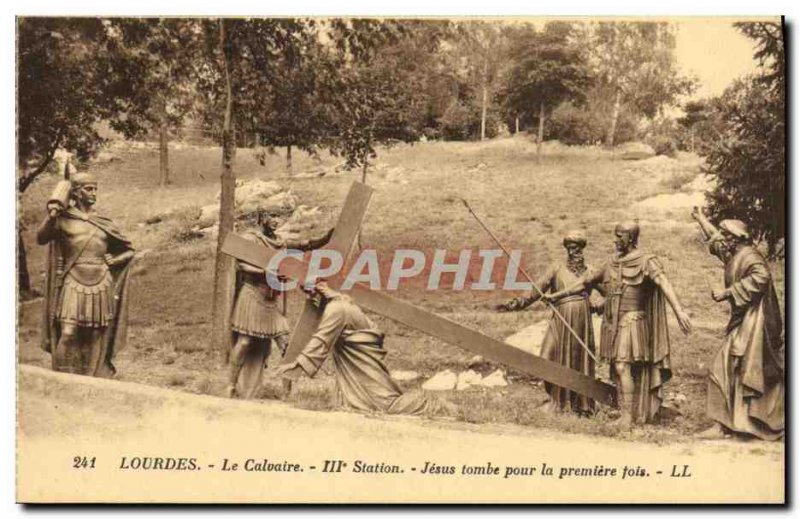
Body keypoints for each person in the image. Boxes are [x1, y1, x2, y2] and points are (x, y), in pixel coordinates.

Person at [542, 221, 692, 427]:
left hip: (632, 322)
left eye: (619, 236)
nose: (615, 240)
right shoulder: (611, 262)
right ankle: (628, 412)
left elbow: (664, 283)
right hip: (614, 324)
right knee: (619, 369)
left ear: (630, 238)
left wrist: (679, 310)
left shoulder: (646, 261)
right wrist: (557, 295)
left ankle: (628, 417)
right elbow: (584, 282)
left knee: (622, 367)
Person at [276, 281, 442, 415]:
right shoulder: (340, 303)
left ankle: (432, 404)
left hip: (363, 362)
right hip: (361, 359)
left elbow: (321, 340)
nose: (310, 296)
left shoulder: (337, 309)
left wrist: (296, 365)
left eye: (310, 291)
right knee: (375, 400)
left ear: (321, 287)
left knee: (384, 403)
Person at [692, 208, 784, 440]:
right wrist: (701, 219)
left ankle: (737, 424)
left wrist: (726, 293)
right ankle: (728, 424)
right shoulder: (734, 252)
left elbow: (761, 278)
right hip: (744, 320)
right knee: (733, 366)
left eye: (726, 235)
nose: (722, 239)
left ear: (736, 238)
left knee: (725, 365)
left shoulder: (750, 257)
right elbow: (716, 240)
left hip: (756, 323)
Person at [37, 172, 136, 377]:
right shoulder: (63, 220)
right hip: (73, 281)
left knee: (94, 334)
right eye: (88, 189)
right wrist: (52, 215)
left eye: (95, 189)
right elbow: (41, 238)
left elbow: (129, 249)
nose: (93, 193)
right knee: (68, 332)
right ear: (75, 192)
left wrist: (116, 260)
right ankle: (61, 378)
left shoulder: (102, 222)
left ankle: (92, 379)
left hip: (101, 282)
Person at [226, 209, 333, 399]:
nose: (276, 221)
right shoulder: (250, 239)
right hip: (252, 295)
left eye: (279, 216)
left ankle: (286, 392)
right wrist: (269, 272)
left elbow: (304, 245)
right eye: (272, 216)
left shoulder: (278, 242)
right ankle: (231, 386)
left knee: (286, 345)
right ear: (261, 218)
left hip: (270, 300)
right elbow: (241, 265)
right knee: (245, 342)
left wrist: (326, 238)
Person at [496, 230, 599, 415]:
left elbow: (610, 293)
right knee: (547, 357)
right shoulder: (557, 268)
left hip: (582, 320)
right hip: (560, 318)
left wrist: (598, 306)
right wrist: (516, 303)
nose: (571, 252)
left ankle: (581, 406)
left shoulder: (591, 272)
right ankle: (556, 399)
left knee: (578, 361)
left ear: (582, 249)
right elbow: (536, 290)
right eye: (568, 248)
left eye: (575, 248)